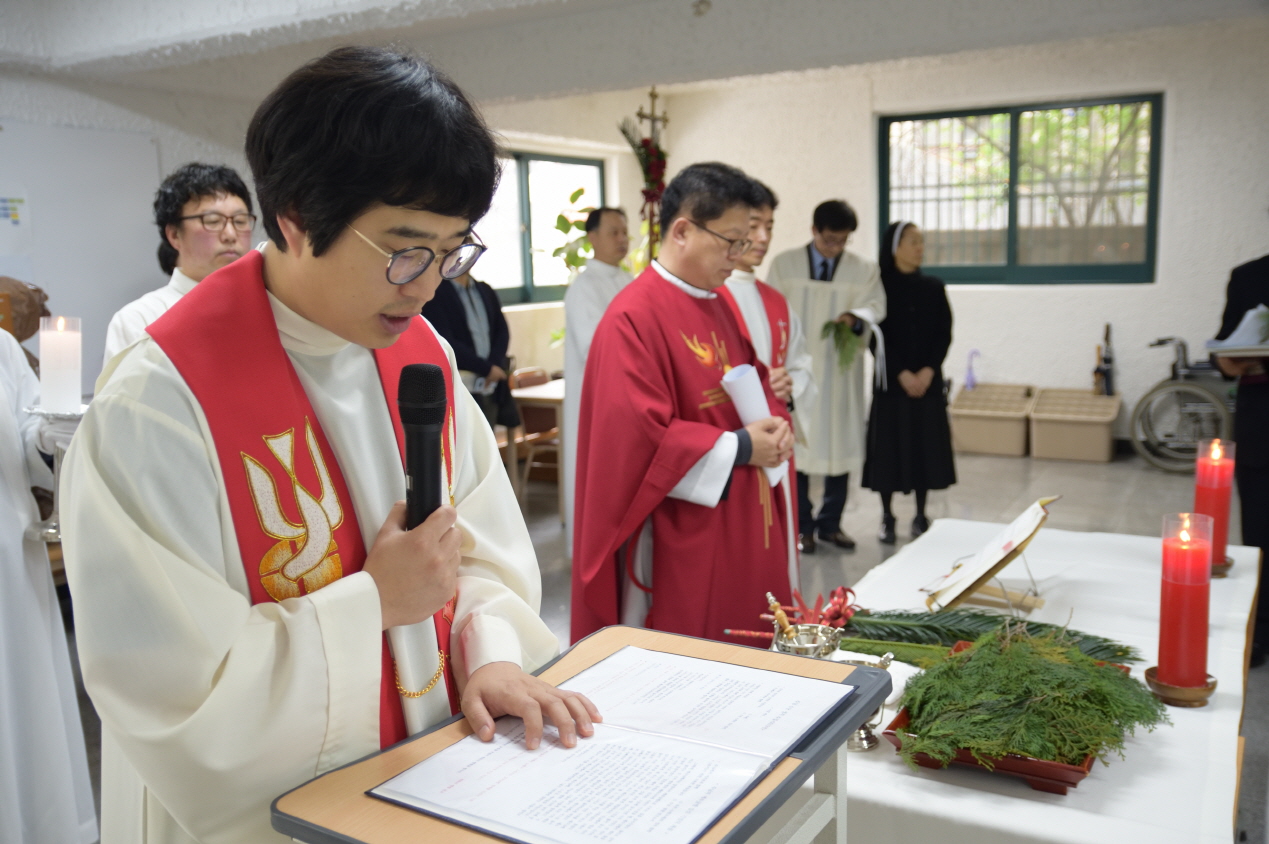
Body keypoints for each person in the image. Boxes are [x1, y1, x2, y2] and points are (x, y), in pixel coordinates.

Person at [61, 47, 597, 844]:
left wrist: (489, 652)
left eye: (452, 251)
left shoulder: (423, 357)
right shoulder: (161, 403)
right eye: (404, 248)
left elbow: (479, 550)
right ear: (296, 218)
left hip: (440, 769)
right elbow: (171, 693)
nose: (426, 285)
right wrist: (372, 604)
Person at [571, 162, 795, 645]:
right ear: (682, 231)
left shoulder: (718, 303)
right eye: (731, 240)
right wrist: (738, 447)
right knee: (697, 653)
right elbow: (637, 438)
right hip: (682, 529)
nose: (739, 256)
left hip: (740, 513)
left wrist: (776, 425)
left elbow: (751, 379)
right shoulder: (633, 316)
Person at [0, 330, 98, 844]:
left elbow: (27, 445)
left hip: (7, 567)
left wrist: (50, 432)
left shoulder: (1, 348)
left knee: (19, 707)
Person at [766, 200, 885, 553]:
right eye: (830, 239)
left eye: (843, 241)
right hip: (799, 371)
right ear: (814, 231)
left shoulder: (862, 269)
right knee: (800, 445)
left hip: (840, 370)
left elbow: (876, 306)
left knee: (839, 444)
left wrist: (854, 316)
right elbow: (772, 312)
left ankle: (831, 524)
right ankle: (803, 525)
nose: (835, 248)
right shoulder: (784, 265)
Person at [719, 178, 815, 573]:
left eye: (770, 227)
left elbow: (800, 361)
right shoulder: (713, 294)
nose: (762, 237)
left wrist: (790, 384)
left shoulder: (775, 299)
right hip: (735, 449)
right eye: (754, 225)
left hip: (777, 438)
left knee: (777, 551)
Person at [103, 163, 255, 364]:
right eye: (212, 221)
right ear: (174, 235)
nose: (230, 234)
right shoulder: (140, 320)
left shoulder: (272, 310)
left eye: (240, 221)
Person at [862, 222, 956, 543]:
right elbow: (876, 336)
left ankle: (920, 513)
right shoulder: (877, 287)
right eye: (912, 242)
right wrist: (901, 372)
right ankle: (887, 516)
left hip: (928, 382)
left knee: (924, 446)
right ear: (894, 247)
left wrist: (929, 371)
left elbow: (943, 333)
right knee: (888, 448)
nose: (920, 248)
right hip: (891, 381)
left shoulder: (933, 286)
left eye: (921, 242)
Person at [563, 207, 632, 551]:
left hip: (628, 400)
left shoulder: (628, 281)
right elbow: (595, 347)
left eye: (624, 232)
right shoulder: (583, 289)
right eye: (614, 232)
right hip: (599, 400)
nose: (622, 239)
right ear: (592, 238)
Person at [1213, 250, 1269, 664]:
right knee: (1261, 532)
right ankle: (1261, 630)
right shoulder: (1250, 276)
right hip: (1262, 419)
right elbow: (1226, 360)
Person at [421, 263, 520, 430]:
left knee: (487, 442)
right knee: (464, 445)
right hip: (460, 383)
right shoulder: (437, 293)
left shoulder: (484, 289)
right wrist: (485, 368)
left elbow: (502, 331)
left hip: (490, 383)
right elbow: (444, 340)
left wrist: (494, 365)